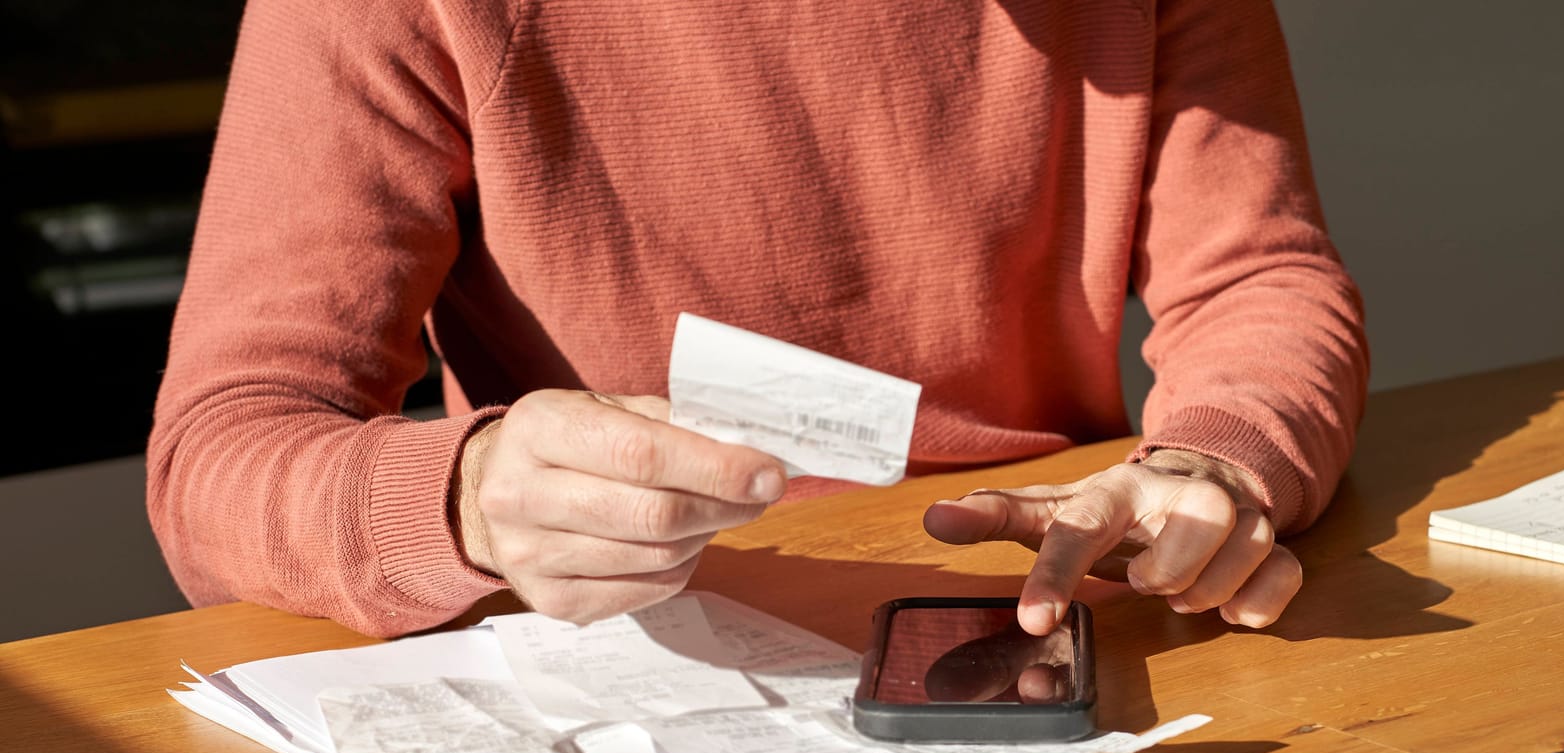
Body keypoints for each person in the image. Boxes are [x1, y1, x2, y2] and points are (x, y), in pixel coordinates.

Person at [148, 0, 1367, 641]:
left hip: (1077, 612)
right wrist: (467, 498)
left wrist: (1217, 460)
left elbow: (1259, 279)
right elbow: (223, 448)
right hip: (637, 649)